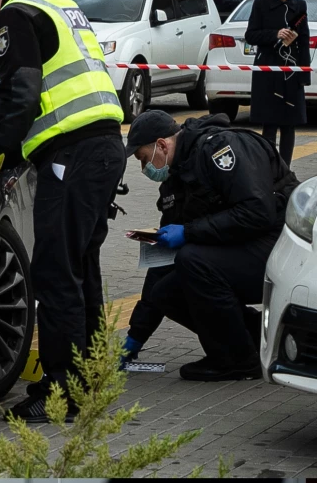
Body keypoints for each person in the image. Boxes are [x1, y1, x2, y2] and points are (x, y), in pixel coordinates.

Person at [0, 0, 125, 422]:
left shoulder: (12, 17)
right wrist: (6, 159)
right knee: (80, 267)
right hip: (100, 146)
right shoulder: (56, 4)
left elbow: (20, 100)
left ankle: (62, 392)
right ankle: (87, 377)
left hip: (74, 152)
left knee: (55, 272)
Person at [123, 110, 299, 381]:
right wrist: (135, 336)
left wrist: (189, 232)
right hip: (245, 247)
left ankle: (237, 361)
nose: (143, 168)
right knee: (165, 292)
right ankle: (255, 340)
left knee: (193, 261)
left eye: (143, 159)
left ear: (162, 145)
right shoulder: (177, 175)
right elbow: (162, 259)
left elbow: (257, 212)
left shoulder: (221, 149)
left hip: (283, 249)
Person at [245, 0, 310, 166]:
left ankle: (286, 170)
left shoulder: (300, 6)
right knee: (270, 124)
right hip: (268, 71)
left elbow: (305, 39)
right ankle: (268, 168)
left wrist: (304, 74)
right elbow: (250, 35)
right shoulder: (261, 5)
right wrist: (275, 34)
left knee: (289, 124)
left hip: (291, 72)